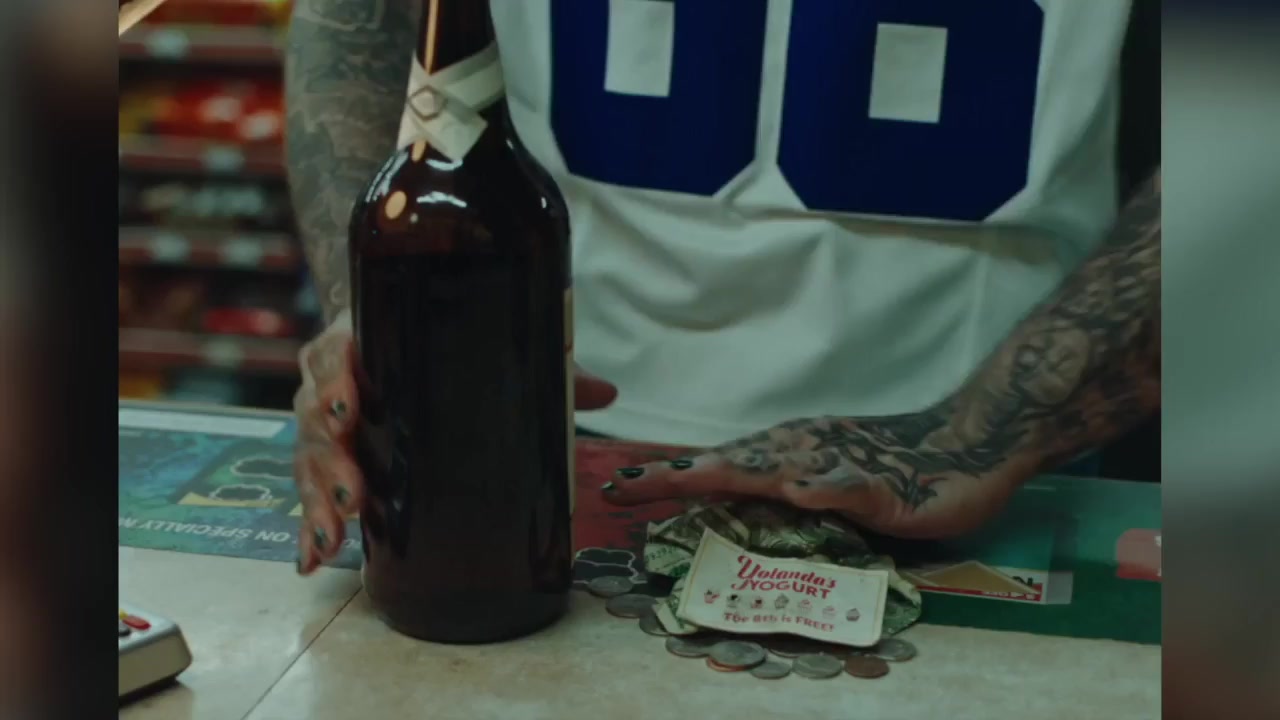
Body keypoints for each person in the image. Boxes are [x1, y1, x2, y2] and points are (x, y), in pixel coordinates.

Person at [284, 0, 1160, 574]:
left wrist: (986, 431)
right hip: (536, 420)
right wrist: (380, 306)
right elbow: (357, 20)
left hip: (983, 459)